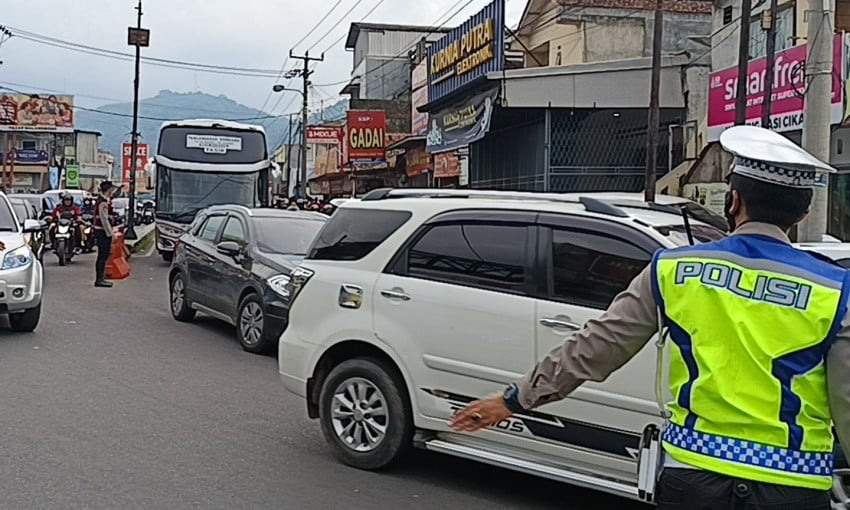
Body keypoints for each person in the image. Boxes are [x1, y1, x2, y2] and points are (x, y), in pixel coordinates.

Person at [450, 125, 850, 509]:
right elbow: (847, 399)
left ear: (734, 201)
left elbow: (596, 348)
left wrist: (515, 399)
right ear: (802, 213)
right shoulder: (835, 290)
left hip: (693, 476)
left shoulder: (672, 270)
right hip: (792, 485)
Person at [92, 181, 117, 288]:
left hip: (100, 231)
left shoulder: (103, 201)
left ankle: (100, 278)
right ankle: (99, 279)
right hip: (102, 232)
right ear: (108, 191)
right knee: (103, 256)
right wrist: (111, 234)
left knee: (102, 256)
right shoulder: (103, 203)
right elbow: (104, 220)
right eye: (111, 190)